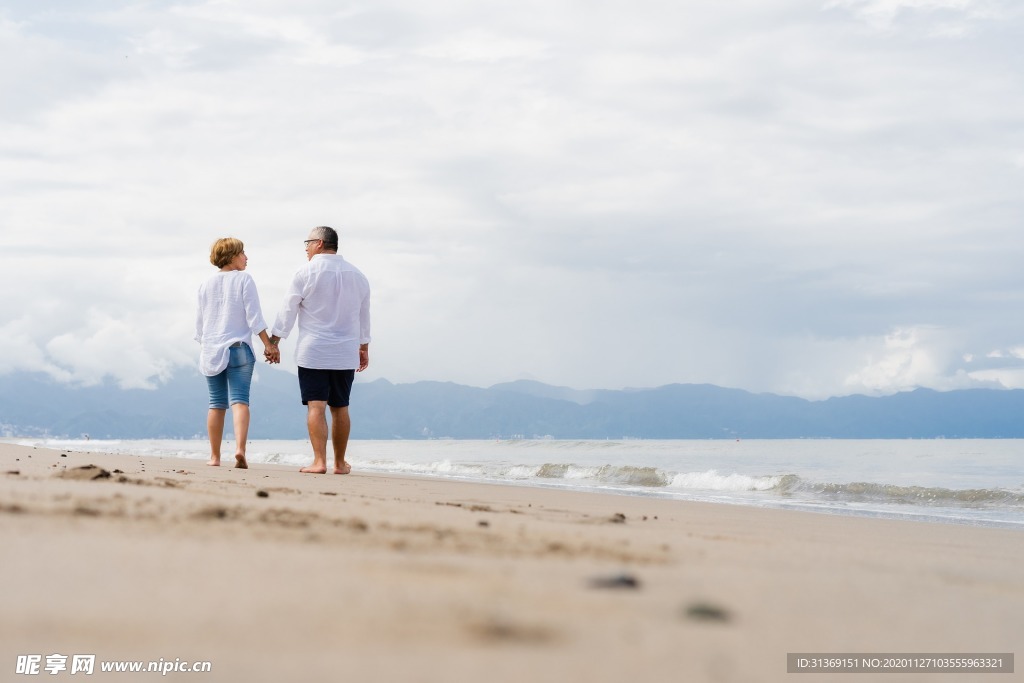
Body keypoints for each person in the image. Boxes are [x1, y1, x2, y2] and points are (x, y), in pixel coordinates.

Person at [269, 226, 371, 474]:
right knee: (341, 407)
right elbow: (363, 315)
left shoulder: (305, 272)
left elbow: (287, 310)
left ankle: (319, 462)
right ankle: (339, 464)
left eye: (307, 242)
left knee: (316, 406)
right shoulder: (358, 276)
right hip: (345, 351)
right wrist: (364, 347)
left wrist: (274, 342)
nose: (305, 248)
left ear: (319, 243)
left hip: (313, 351)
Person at [195, 238, 280, 468]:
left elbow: (200, 325)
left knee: (216, 404)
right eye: (242, 253)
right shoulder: (244, 279)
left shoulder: (205, 284)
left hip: (212, 349)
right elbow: (255, 318)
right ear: (232, 256)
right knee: (240, 401)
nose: (246, 257)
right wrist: (269, 345)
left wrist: (207, 345)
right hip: (239, 349)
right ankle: (240, 450)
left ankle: (214, 457)